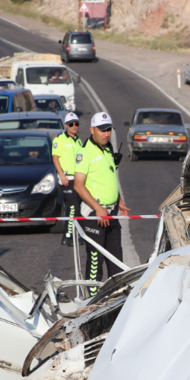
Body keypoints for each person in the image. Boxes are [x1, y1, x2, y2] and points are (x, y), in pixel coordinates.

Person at [74, 112, 129, 295]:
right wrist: (98, 208)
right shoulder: (84, 152)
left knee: (117, 263)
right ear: (92, 130)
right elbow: (78, 185)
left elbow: (109, 178)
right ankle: (92, 301)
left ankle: (118, 300)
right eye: (102, 130)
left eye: (108, 130)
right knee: (95, 263)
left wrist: (118, 200)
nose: (106, 134)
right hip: (94, 215)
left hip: (111, 214)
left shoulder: (108, 148)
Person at [52, 112, 84, 246]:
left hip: (78, 179)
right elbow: (55, 158)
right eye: (71, 124)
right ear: (66, 125)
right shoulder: (59, 140)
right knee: (72, 208)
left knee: (79, 209)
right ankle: (68, 236)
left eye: (76, 124)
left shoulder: (78, 140)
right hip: (67, 179)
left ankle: (76, 234)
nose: (74, 126)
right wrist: (62, 176)